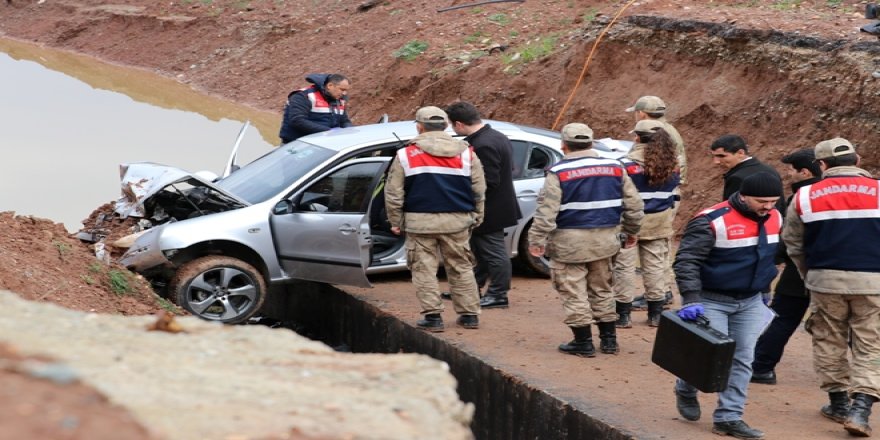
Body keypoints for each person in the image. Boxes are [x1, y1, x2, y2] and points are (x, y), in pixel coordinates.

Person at [672, 172, 783, 440]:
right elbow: (687, 261)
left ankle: (729, 418)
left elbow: (766, 258)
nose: (768, 207)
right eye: (761, 201)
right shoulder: (711, 221)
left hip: (749, 302)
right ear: (743, 196)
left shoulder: (775, 218)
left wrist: (765, 290)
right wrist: (691, 298)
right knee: (706, 357)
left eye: (773, 201)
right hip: (711, 300)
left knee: (742, 358)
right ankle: (686, 387)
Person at [782, 138, 880, 437]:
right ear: (858, 160)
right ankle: (861, 409)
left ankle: (838, 404)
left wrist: (808, 274)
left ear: (821, 165)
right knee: (871, 342)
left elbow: (793, 243)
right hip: (874, 281)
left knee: (828, 338)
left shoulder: (805, 196)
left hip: (825, 279)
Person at [527, 123, 643, 357]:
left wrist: (536, 239)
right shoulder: (615, 167)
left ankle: (583, 343)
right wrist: (631, 231)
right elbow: (634, 205)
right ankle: (609, 342)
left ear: (564, 145)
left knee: (574, 292)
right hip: (605, 241)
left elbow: (546, 212)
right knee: (602, 290)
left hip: (569, 244)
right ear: (591, 142)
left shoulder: (558, 172)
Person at [384, 106, 486, 332]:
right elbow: (478, 189)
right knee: (461, 267)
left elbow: (393, 193)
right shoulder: (467, 152)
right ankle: (469, 315)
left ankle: (433, 317)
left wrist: (395, 221)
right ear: (447, 125)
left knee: (424, 269)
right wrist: (477, 215)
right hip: (457, 221)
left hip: (419, 222)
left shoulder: (405, 154)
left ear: (419, 127)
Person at [750, 148, 821, 386]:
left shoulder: (802, 197)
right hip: (844, 269)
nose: (787, 174)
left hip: (800, 268)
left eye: (791, 169)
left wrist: (774, 259)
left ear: (804, 171)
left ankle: (761, 366)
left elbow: (790, 237)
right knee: (850, 325)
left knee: (783, 318)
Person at [445, 101, 521, 309]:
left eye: (452, 125)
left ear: (459, 124)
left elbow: (489, 180)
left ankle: (498, 294)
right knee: (481, 251)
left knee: (494, 253)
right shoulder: (496, 136)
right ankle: (472, 287)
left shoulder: (483, 144)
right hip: (497, 206)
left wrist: (461, 193)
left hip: (491, 209)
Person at [612, 120, 680, 328]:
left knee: (624, 268)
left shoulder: (625, 165)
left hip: (629, 223)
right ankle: (655, 315)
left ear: (637, 138)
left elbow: (618, 195)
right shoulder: (673, 165)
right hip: (659, 222)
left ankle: (623, 315)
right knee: (656, 268)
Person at [625, 95, 686, 307]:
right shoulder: (669, 131)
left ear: (642, 113)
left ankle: (662, 291)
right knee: (657, 250)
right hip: (665, 196)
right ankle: (659, 295)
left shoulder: (653, 133)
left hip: (654, 199)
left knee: (649, 255)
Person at [710, 134, 784, 213]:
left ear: (741, 153)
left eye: (721, 156)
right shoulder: (770, 170)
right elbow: (781, 206)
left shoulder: (737, 178)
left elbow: (731, 211)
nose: (716, 161)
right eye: (714, 156)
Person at [278, 73, 352, 144]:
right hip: (297, 144)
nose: (344, 93)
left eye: (346, 91)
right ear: (330, 85)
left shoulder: (339, 100)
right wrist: (329, 132)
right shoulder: (303, 96)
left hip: (323, 143)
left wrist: (348, 131)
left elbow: (344, 121)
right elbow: (297, 120)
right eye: (342, 89)